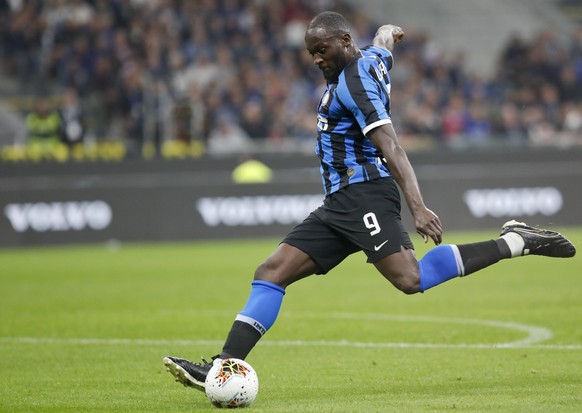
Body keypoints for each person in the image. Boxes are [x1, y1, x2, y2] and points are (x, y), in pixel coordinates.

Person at [163, 11, 576, 392]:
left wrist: (418, 207)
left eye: (320, 51)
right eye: (310, 53)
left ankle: (515, 242)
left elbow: (392, 147)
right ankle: (223, 366)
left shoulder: (355, 83)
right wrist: (386, 34)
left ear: (343, 42)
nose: (315, 60)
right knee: (271, 271)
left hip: (365, 195)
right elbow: (383, 46)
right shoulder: (370, 60)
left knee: (409, 279)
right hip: (339, 202)